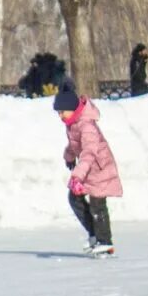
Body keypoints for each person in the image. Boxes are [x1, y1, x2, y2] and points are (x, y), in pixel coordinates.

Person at [57, 83, 122, 256]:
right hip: (88, 169)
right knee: (74, 198)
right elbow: (75, 145)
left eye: (62, 111)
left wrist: (77, 175)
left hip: (100, 168)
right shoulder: (73, 124)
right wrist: (69, 156)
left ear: (72, 109)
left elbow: (89, 152)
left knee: (97, 204)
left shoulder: (87, 126)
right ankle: (95, 234)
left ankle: (105, 241)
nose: (60, 116)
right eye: (58, 112)